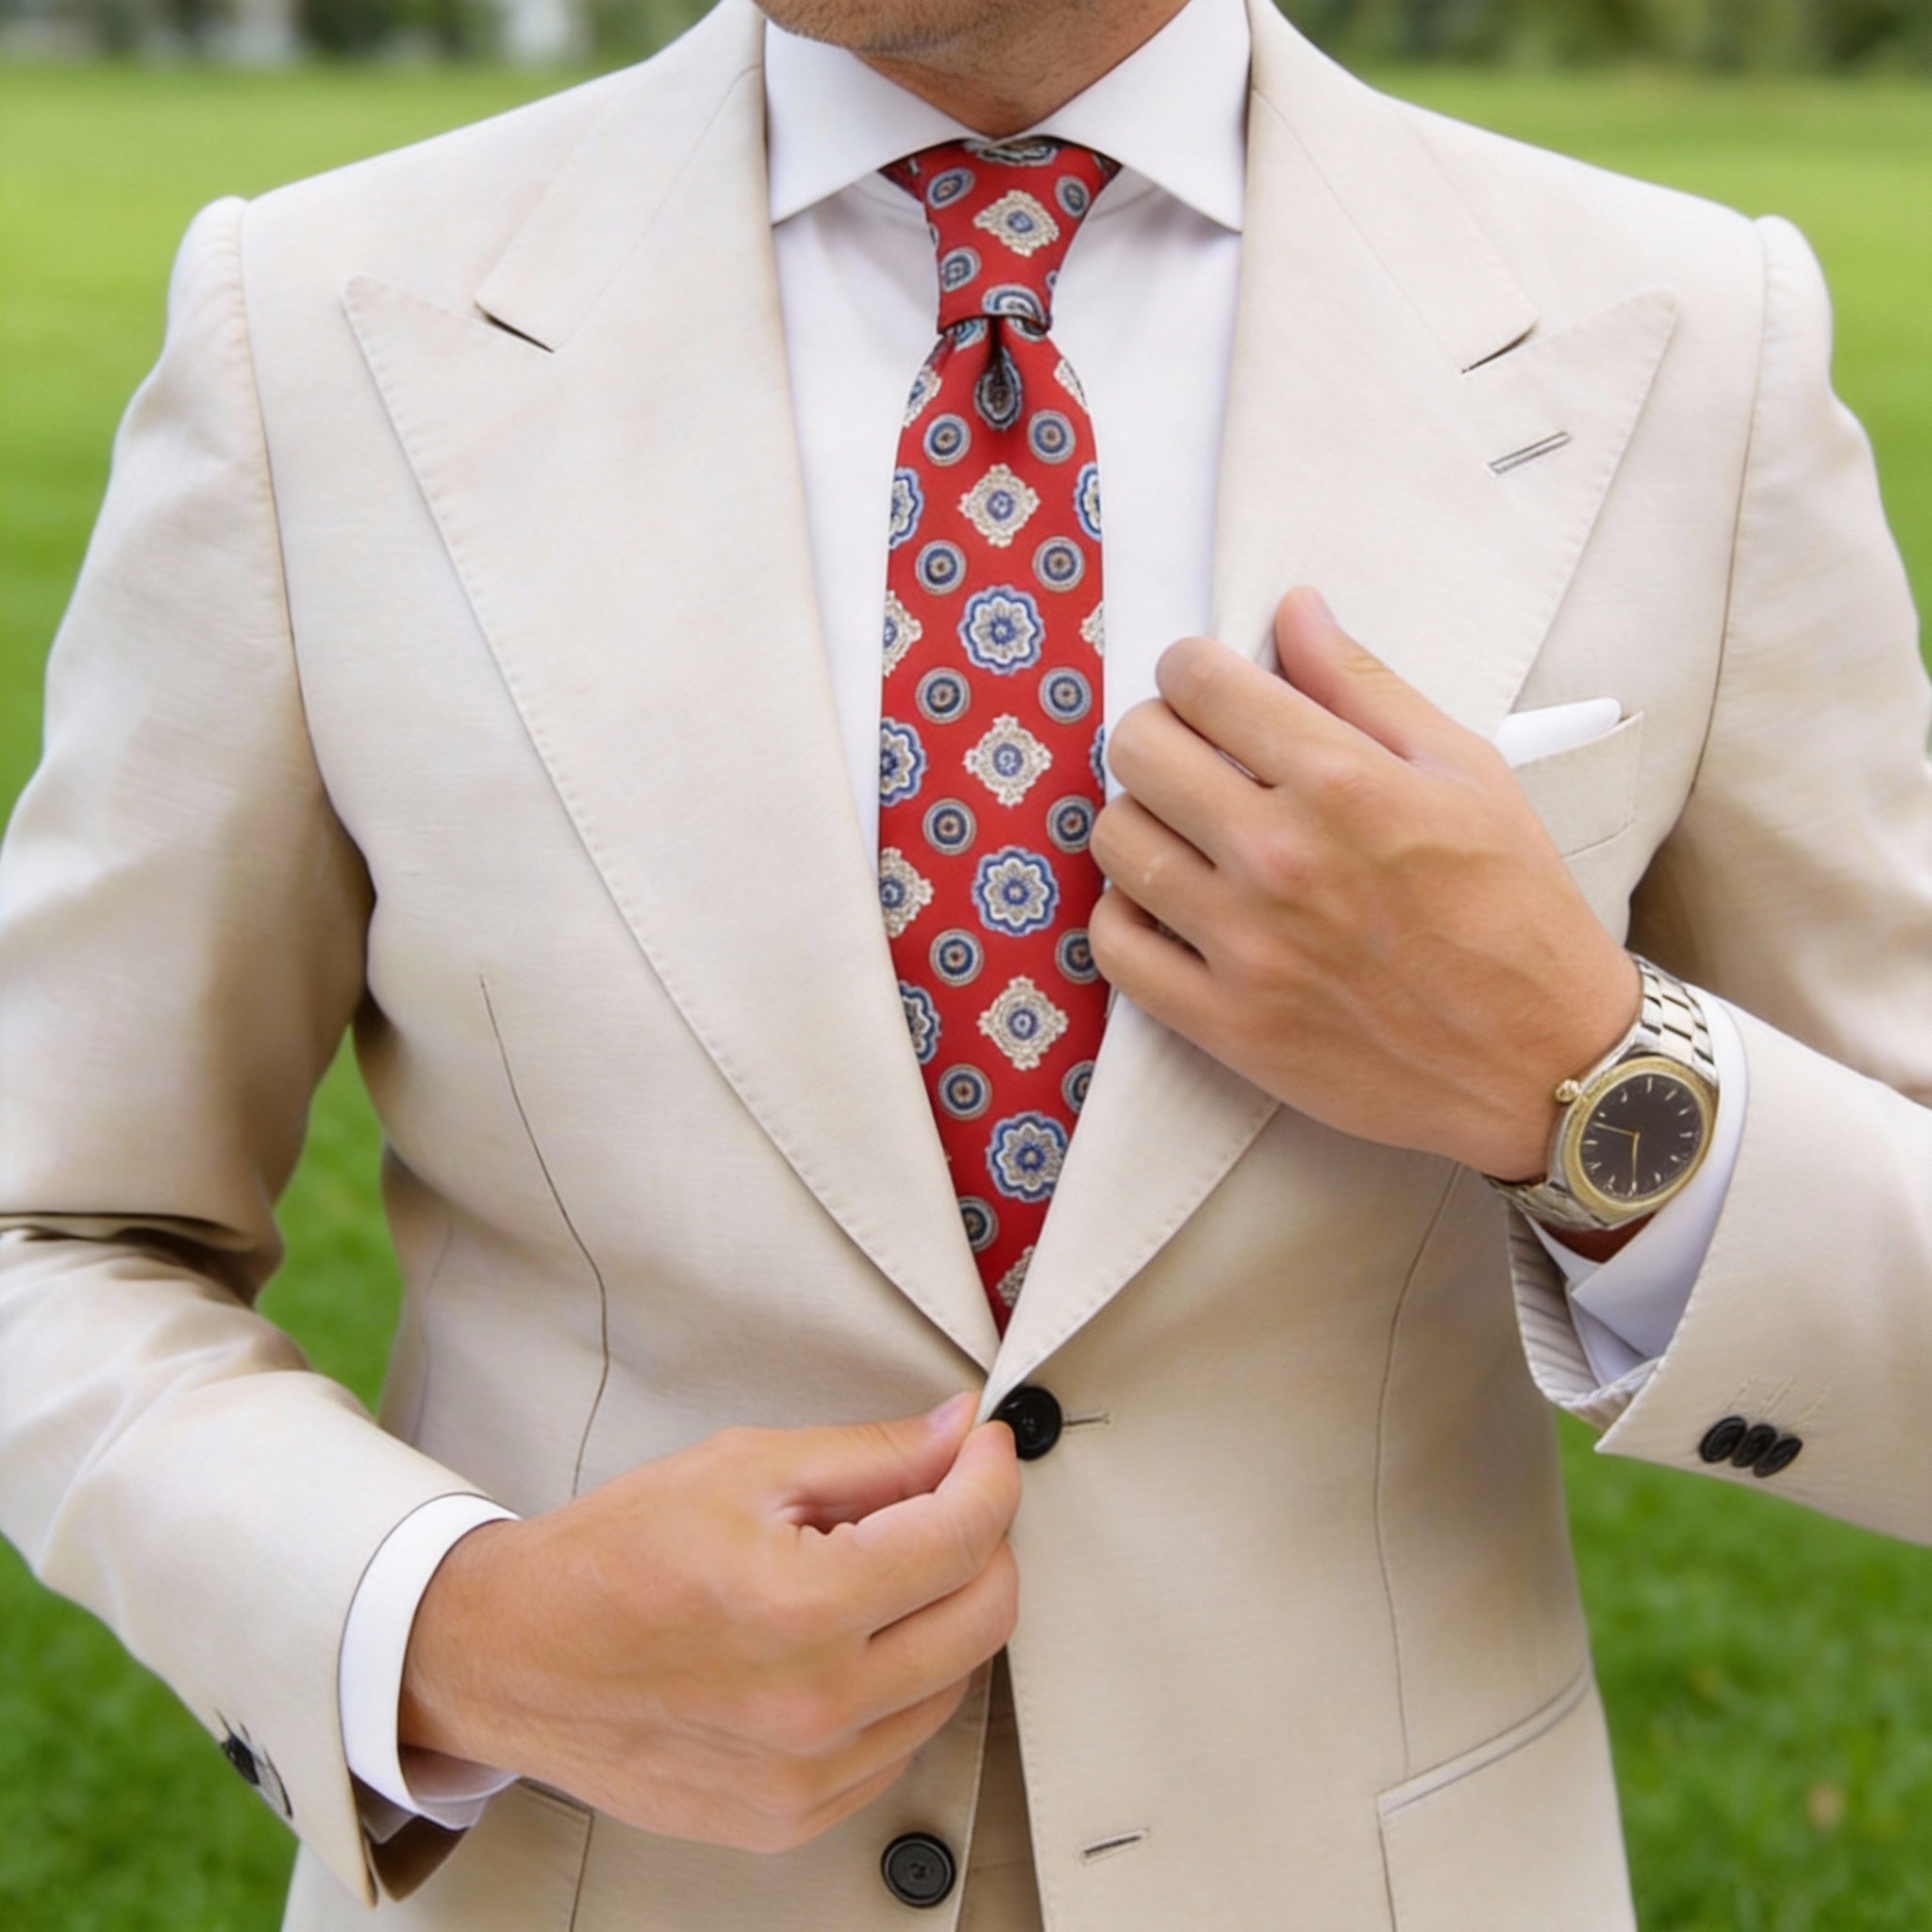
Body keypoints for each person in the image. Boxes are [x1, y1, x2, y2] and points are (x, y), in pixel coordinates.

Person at [2, 0, 1928, 1924]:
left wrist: (1586, 1083)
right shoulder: (315, 321)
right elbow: (53, 1231)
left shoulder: (1688, 341)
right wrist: (451, 1630)